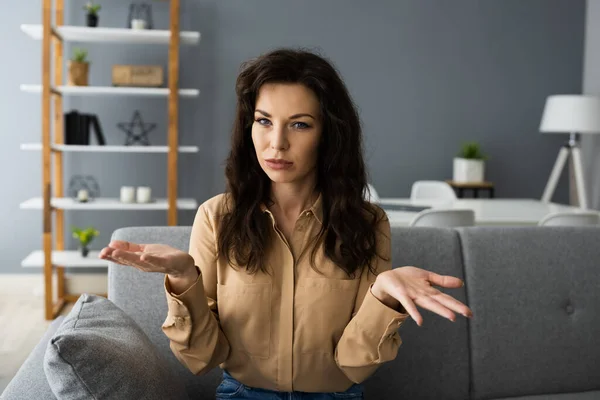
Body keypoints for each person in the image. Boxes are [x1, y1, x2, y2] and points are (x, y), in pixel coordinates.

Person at [99, 48, 473, 400]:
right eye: (264, 121)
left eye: (299, 124)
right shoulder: (216, 218)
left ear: (328, 134)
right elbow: (202, 356)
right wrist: (183, 278)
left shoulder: (368, 223)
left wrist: (384, 297)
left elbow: (355, 365)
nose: (276, 143)